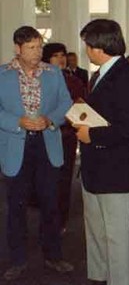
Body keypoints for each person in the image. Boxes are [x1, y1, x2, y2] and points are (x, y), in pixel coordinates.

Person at [75, 19, 129, 285]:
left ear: (98, 46)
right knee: (94, 227)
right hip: (97, 165)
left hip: (116, 169)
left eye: (87, 44)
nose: (86, 49)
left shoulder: (125, 77)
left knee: (116, 233)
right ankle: (99, 274)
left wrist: (90, 134)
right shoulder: (102, 73)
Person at [0, 26, 74, 281]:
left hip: (47, 143)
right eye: (31, 48)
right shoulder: (2, 74)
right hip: (16, 145)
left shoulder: (53, 73)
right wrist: (17, 122)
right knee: (16, 207)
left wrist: (50, 120)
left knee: (50, 203)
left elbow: (66, 103)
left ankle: (53, 256)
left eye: (39, 46)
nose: (37, 52)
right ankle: (18, 260)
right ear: (17, 49)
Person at [42, 43, 86, 234]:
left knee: (64, 181)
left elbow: (81, 109)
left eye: (63, 55)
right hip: (44, 136)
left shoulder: (74, 82)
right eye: (55, 55)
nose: (60, 59)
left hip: (66, 137)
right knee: (45, 181)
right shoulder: (39, 81)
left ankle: (60, 222)